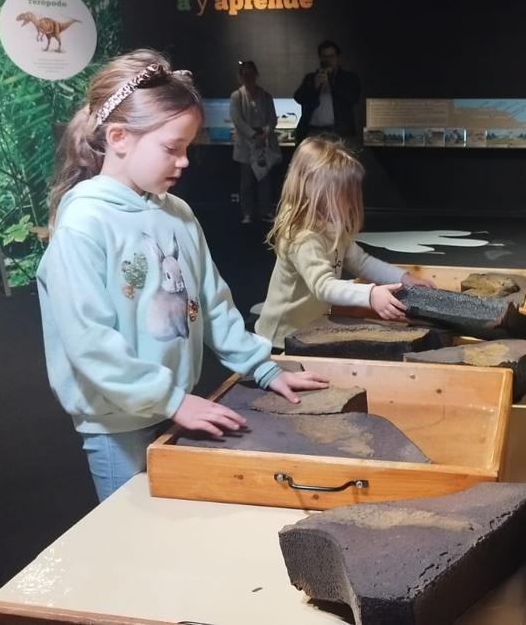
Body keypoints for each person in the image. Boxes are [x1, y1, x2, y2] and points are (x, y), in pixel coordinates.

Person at [38, 49, 327, 501]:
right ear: (118, 137)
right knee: (129, 532)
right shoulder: (83, 224)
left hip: (173, 402)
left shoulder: (179, 213)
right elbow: (88, 342)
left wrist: (263, 368)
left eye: (187, 148)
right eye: (172, 148)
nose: (184, 161)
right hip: (118, 421)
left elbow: (212, 302)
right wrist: (171, 400)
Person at [255, 135, 434, 348]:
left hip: (306, 330)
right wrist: (370, 295)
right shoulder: (304, 238)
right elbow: (323, 286)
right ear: (320, 192)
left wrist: (403, 278)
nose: (351, 201)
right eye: (344, 194)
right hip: (280, 338)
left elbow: (361, 262)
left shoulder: (331, 227)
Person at [229, 60, 279, 224]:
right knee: (247, 181)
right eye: (245, 73)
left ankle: (265, 211)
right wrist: (253, 136)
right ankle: (247, 212)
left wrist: (264, 134)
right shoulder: (237, 96)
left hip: (264, 143)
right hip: (246, 144)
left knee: (265, 179)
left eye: (251, 73)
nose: (248, 76)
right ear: (240, 76)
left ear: (256, 74)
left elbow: (272, 118)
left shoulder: (265, 96)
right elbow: (237, 120)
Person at [293, 40, 360, 143]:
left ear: (338, 57)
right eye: (324, 56)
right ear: (320, 58)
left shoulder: (348, 78)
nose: (328, 60)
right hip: (313, 131)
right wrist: (314, 86)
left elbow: (353, 98)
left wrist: (332, 83)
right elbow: (299, 98)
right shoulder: (311, 78)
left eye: (331, 56)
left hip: (339, 132)